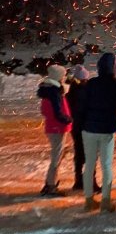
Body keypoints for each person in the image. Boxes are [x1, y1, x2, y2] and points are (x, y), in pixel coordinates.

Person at [79, 53, 116, 212]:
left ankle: (88, 200)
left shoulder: (91, 84)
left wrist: (83, 123)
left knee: (89, 164)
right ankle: (106, 200)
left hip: (89, 128)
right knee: (106, 165)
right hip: (106, 129)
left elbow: (82, 107)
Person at [38, 64, 72, 196]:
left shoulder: (49, 89)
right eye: (62, 76)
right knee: (56, 157)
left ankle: (49, 183)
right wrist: (68, 119)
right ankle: (50, 185)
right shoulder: (54, 92)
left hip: (53, 127)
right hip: (57, 127)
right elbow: (57, 113)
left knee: (57, 155)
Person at [65, 64, 98, 192]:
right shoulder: (86, 93)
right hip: (86, 127)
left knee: (79, 154)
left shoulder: (70, 93)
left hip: (75, 128)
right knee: (90, 155)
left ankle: (78, 181)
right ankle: (90, 182)